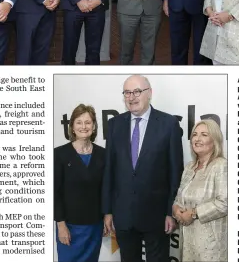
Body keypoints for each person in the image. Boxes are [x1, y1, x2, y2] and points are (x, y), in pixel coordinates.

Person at [102, 75, 183, 262]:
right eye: (127, 93)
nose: (132, 97)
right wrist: (107, 211)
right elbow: (109, 171)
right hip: (123, 216)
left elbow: (175, 172)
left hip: (157, 217)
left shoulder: (168, 124)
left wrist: (171, 212)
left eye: (137, 91)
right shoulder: (114, 125)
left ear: (150, 93)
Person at [54, 104, 106, 262]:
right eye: (79, 122)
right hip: (70, 227)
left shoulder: (103, 154)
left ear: (94, 126)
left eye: (88, 122)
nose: (84, 126)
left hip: (94, 226)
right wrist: (60, 225)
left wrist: (107, 217)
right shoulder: (59, 154)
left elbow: (106, 189)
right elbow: (55, 192)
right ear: (72, 127)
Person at [173, 119, 227, 262]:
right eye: (195, 134)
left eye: (204, 134)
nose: (197, 139)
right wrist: (176, 209)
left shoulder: (221, 166)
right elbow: (179, 197)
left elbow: (224, 203)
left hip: (211, 246)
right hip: (188, 243)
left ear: (214, 140)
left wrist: (194, 213)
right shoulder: (189, 167)